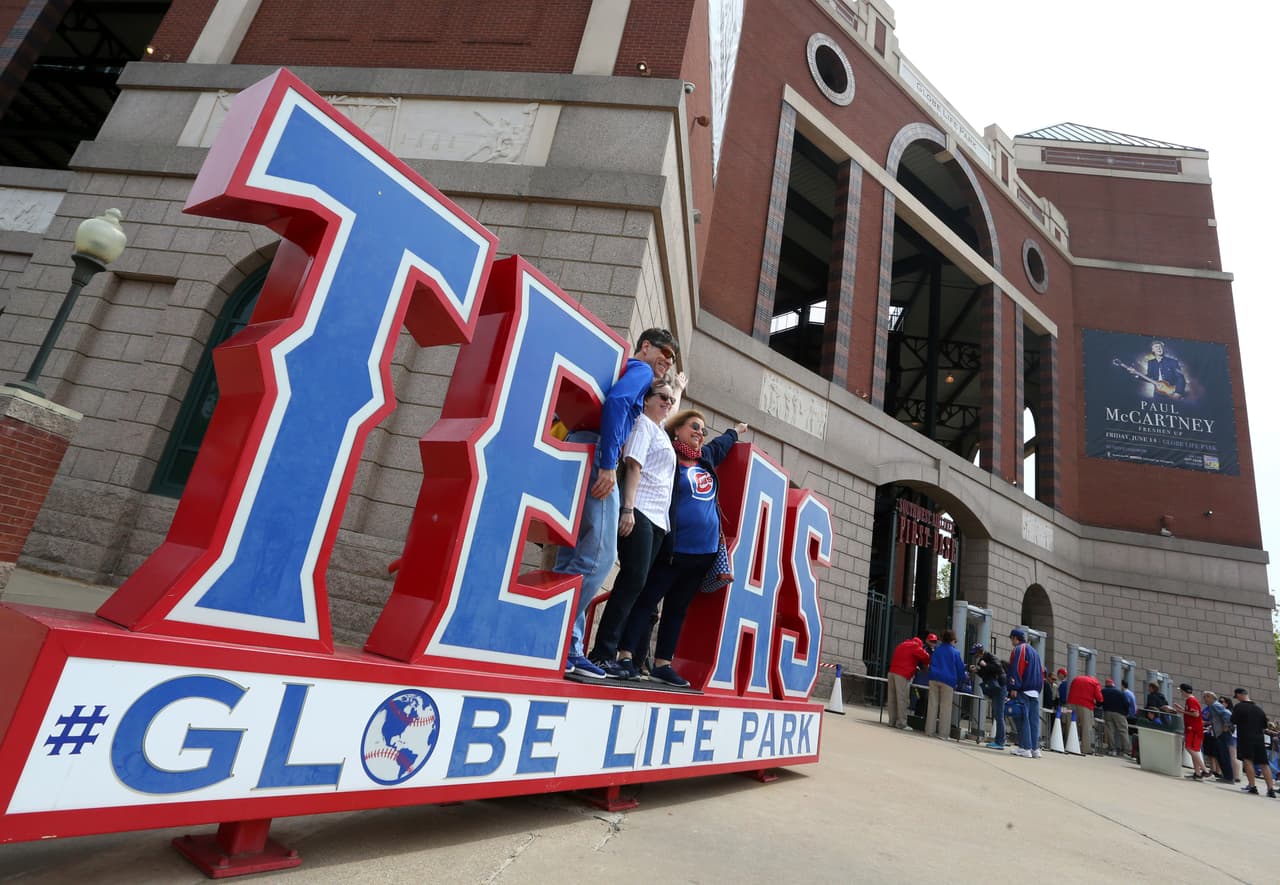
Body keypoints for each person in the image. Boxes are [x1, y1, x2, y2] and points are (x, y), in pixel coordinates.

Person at [556, 328, 677, 679]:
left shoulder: (633, 372)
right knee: (599, 558)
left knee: (575, 555)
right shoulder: (639, 370)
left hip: (585, 449)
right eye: (664, 353)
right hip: (600, 458)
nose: (666, 362)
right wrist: (610, 463)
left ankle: (568, 646)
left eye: (671, 359)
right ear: (645, 347)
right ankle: (557, 636)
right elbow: (619, 402)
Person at [616, 411, 747, 687]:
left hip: (703, 555)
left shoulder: (705, 459)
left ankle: (663, 663)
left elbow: (721, 445)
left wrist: (734, 431)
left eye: (704, 430)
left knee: (677, 609)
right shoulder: (669, 460)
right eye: (695, 427)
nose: (700, 432)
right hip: (672, 549)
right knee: (647, 601)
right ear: (677, 430)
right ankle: (625, 654)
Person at [587, 374, 683, 676]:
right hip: (639, 512)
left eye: (670, 400)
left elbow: (670, 406)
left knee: (637, 584)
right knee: (632, 581)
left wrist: (677, 389)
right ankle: (602, 652)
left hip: (657, 520)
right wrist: (627, 509)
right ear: (646, 400)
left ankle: (613, 653)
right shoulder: (643, 425)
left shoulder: (660, 430)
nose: (667, 403)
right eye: (662, 398)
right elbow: (633, 467)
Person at [1230, 688, 1275, 797]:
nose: (1237, 699)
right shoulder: (1259, 709)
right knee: (1264, 763)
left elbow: (1233, 720)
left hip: (1245, 737)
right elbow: (1265, 725)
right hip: (1259, 738)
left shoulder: (1239, 707)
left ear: (1240, 695)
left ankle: (1252, 785)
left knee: (1247, 760)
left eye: (1237, 696)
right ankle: (1270, 789)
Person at [1006, 629, 1043, 758]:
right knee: (1033, 721)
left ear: (1016, 638)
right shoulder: (1034, 652)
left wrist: (1013, 686)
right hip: (1034, 690)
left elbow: (1017, 668)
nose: (1011, 641)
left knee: (1023, 719)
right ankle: (1035, 748)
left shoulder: (1019, 649)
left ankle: (1025, 747)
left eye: (1011, 638)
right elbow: (1040, 671)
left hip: (1024, 689)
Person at [924, 629, 964, 740]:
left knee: (932, 705)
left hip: (934, 677)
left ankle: (929, 731)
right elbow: (960, 669)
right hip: (948, 680)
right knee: (945, 708)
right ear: (952, 640)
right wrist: (962, 680)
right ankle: (943, 734)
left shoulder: (937, 649)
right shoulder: (955, 652)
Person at [886, 636, 931, 730]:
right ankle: (901, 723)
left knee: (892, 699)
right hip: (902, 674)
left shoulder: (901, 644)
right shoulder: (915, 646)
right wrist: (926, 664)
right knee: (902, 699)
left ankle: (892, 721)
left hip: (891, 672)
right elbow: (926, 656)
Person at [970, 643, 1008, 750]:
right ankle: (999, 741)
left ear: (980, 651)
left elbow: (997, 668)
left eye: (975, 654)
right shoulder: (983, 660)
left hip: (999, 687)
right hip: (995, 688)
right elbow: (985, 674)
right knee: (997, 714)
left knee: (999, 715)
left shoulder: (990, 657)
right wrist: (977, 670)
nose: (975, 656)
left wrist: (985, 665)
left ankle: (1000, 742)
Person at [1172, 683, 1210, 779]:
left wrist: (1182, 711)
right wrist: (1182, 709)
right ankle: (1197, 772)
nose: (1181, 693)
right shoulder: (1191, 700)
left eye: (1181, 691)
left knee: (1190, 748)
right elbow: (1193, 713)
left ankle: (1204, 770)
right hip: (1194, 728)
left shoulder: (1191, 700)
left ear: (1184, 691)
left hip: (1193, 729)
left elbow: (1196, 714)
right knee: (1194, 749)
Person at [1065, 670, 1103, 755]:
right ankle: (1085, 748)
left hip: (1071, 703)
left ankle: (1068, 745)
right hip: (1085, 705)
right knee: (1086, 727)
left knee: (1070, 725)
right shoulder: (1095, 682)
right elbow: (1099, 699)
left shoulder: (1076, 679)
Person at [1202, 691, 1233, 781]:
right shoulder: (1213, 706)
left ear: (1211, 698)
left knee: (1224, 756)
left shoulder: (1215, 705)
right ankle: (1227, 776)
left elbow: (1227, 714)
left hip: (1222, 734)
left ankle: (1228, 778)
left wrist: (1226, 726)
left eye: (1206, 697)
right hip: (1219, 733)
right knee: (1221, 755)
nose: (1204, 699)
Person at [1100, 678, 1129, 757]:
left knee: (1110, 731)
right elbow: (1126, 703)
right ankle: (1126, 751)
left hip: (1107, 712)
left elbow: (1100, 702)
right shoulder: (1119, 692)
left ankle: (1112, 749)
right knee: (1123, 731)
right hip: (1119, 713)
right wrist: (1126, 713)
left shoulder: (1103, 691)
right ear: (1113, 684)